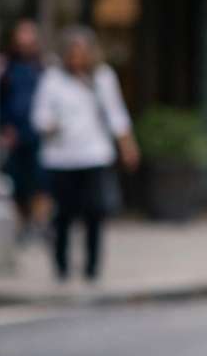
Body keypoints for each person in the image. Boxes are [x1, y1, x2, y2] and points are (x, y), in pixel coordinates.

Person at [31, 26, 140, 281]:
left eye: (82, 52)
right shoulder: (52, 79)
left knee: (95, 212)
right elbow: (39, 116)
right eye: (73, 52)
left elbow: (117, 115)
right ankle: (61, 267)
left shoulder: (102, 77)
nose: (78, 57)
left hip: (94, 155)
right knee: (64, 214)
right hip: (61, 158)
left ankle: (92, 268)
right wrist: (50, 125)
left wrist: (128, 146)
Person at [0, 19, 48, 237]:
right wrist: (3, 128)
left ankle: (38, 224)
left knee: (39, 181)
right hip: (14, 134)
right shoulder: (5, 66)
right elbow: (0, 101)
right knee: (15, 182)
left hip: (37, 133)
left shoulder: (43, 66)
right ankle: (21, 224)